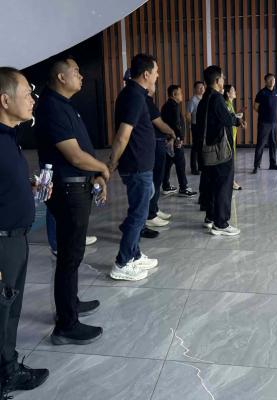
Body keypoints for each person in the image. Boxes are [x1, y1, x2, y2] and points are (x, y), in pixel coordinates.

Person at [36, 57, 109, 346]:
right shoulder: (52, 107)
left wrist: (96, 175)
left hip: (77, 186)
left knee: (72, 254)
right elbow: (75, 156)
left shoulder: (63, 105)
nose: (81, 75)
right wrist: (102, 168)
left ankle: (71, 303)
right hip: (68, 190)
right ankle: (66, 325)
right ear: (61, 77)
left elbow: (81, 151)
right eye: (76, 71)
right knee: (69, 255)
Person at [0, 67, 49, 398]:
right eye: (27, 94)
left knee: (10, 310)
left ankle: (8, 370)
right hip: (2, 244)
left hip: (16, 239)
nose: (33, 100)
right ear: (5, 100)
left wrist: (27, 187)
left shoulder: (9, 138)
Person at [108, 54, 159, 281]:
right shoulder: (134, 96)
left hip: (140, 165)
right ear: (146, 74)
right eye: (155, 72)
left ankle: (135, 254)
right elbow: (123, 135)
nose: (157, 76)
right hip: (137, 166)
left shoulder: (134, 93)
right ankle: (123, 262)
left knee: (140, 211)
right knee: (138, 215)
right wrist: (111, 163)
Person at [196, 65, 245, 236]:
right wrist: (237, 120)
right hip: (220, 150)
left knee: (211, 184)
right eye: (223, 78)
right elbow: (226, 118)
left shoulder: (204, 99)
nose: (224, 80)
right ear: (217, 81)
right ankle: (221, 223)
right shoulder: (217, 98)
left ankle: (210, 217)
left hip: (207, 150)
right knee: (224, 185)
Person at [145, 89, 176, 229]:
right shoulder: (144, 100)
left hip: (158, 143)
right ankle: (150, 215)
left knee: (157, 179)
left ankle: (154, 209)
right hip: (154, 144)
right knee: (154, 179)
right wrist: (172, 132)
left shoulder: (148, 101)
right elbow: (159, 123)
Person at [161, 85, 197, 197]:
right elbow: (176, 124)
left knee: (168, 163)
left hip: (168, 140)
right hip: (174, 140)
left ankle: (166, 185)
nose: (182, 95)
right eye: (180, 93)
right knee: (180, 163)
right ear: (174, 94)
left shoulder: (166, 105)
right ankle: (183, 187)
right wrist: (179, 138)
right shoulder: (174, 106)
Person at [253, 73, 277, 173]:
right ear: (265, 81)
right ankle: (256, 165)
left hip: (274, 122)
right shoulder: (262, 93)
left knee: (273, 143)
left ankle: (273, 164)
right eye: (270, 80)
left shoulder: (276, 92)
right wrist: (264, 114)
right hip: (264, 122)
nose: (272, 81)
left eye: (273, 79)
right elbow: (255, 107)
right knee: (261, 144)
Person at [223, 84, 243, 190]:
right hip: (228, 137)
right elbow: (228, 119)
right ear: (227, 93)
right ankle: (231, 182)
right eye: (233, 90)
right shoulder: (226, 104)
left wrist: (237, 117)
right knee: (229, 161)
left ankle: (231, 181)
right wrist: (236, 117)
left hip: (232, 136)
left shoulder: (230, 104)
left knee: (231, 160)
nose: (235, 92)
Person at [187, 81, 205, 175]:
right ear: (195, 89)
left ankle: (201, 166)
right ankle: (194, 168)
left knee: (201, 147)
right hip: (196, 126)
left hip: (202, 126)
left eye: (203, 87)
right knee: (195, 147)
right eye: (199, 87)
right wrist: (191, 124)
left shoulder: (204, 98)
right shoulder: (193, 100)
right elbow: (188, 114)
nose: (202, 89)